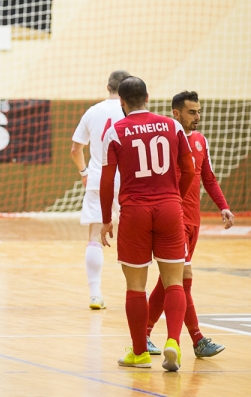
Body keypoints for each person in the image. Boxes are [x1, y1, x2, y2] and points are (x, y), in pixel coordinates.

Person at [100, 77, 195, 371]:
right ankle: (173, 342)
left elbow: (106, 181)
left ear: (122, 102)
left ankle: (140, 353)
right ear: (148, 97)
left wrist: (105, 219)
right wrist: (174, 198)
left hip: (135, 212)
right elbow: (189, 169)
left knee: (136, 286)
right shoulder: (173, 125)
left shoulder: (115, 131)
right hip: (169, 209)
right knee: (174, 281)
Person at [145, 91, 234, 358]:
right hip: (174, 220)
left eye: (199, 111)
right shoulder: (167, 142)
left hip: (193, 221)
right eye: (192, 112)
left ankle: (144, 334)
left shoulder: (200, 141)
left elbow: (208, 178)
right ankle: (197, 338)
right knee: (183, 280)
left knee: (169, 281)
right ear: (176, 113)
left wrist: (224, 206)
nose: (198, 116)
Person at [71, 70, 130, 309]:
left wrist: (84, 173)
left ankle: (95, 295)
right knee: (137, 237)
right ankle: (138, 293)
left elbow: (75, 150)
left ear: (108, 87)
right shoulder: (131, 112)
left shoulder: (92, 111)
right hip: (129, 182)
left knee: (94, 236)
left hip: (98, 179)